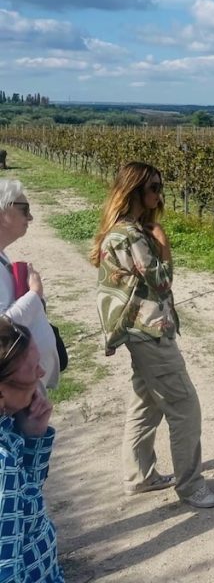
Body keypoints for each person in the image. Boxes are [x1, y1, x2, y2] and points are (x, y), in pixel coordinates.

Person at [89, 162, 214, 509]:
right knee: (185, 408)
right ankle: (190, 486)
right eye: (154, 188)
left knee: (146, 404)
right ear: (135, 191)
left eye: (160, 187)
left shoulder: (120, 230)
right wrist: (164, 246)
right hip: (150, 332)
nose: (159, 194)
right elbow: (160, 282)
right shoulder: (132, 235)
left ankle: (140, 475)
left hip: (136, 331)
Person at [0, 315, 65, 581]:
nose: (41, 373)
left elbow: (26, 502)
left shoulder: (7, 430)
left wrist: (33, 437)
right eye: (32, 370)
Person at [0, 180, 60, 390]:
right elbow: (3, 326)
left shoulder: (2, 256)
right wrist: (34, 294)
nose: (31, 217)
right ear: (2, 211)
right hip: (14, 388)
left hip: (23, 383)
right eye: (24, 210)